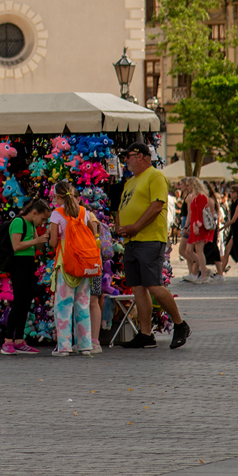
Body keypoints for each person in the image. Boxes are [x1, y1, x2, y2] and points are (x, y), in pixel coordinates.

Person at [113, 146, 189, 349]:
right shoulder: (130, 182)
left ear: (140, 156)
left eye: (127, 157)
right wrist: (119, 226)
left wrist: (136, 226)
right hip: (132, 241)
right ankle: (145, 334)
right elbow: (122, 208)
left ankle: (180, 324)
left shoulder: (155, 176)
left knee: (154, 285)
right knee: (138, 288)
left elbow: (157, 206)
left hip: (149, 239)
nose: (125, 161)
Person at [45, 181, 101, 356]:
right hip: (84, 263)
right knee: (83, 304)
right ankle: (85, 345)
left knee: (63, 305)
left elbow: (53, 242)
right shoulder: (84, 212)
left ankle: (64, 347)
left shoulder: (57, 214)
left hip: (66, 263)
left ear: (57, 197)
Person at [1, 198, 50, 355]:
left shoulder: (31, 224)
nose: (42, 222)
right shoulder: (18, 222)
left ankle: (19, 340)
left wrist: (44, 237)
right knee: (19, 301)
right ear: (34, 212)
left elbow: (36, 246)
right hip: (19, 263)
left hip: (29, 263)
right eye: (42, 218)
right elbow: (17, 246)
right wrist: (36, 240)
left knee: (26, 302)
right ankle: (8, 340)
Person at [180, 178, 212, 284]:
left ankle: (203, 274)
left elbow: (200, 212)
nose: (187, 187)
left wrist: (197, 225)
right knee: (189, 250)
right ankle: (200, 271)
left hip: (199, 227)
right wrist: (189, 226)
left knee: (199, 250)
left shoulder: (201, 196)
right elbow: (192, 212)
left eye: (189, 185)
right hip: (194, 226)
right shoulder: (193, 197)